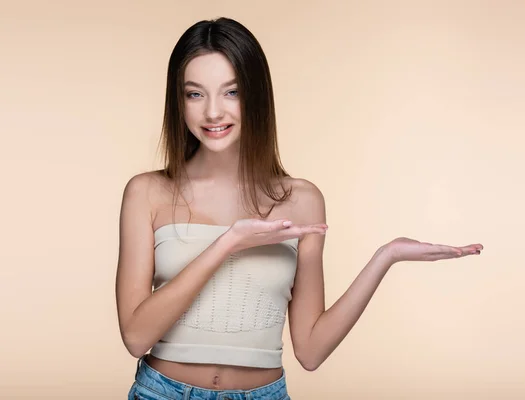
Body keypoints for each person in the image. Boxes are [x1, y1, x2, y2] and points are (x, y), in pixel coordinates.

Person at [115, 17, 483, 400]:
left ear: (256, 96)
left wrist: (386, 256)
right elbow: (136, 337)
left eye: (231, 92)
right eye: (195, 94)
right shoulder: (147, 193)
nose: (212, 112)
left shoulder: (302, 199)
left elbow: (310, 350)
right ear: (178, 101)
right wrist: (229, 243)